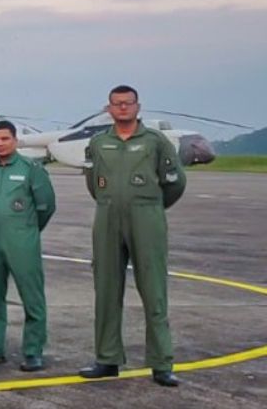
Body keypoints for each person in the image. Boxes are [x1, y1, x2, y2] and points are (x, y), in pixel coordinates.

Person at [79, 85, 187, 387]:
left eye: (128, 103)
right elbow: (94, 183)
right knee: (106, 288)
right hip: (107, 217)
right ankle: (107, 358)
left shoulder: (155, 142)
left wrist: (150, 207)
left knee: (153, 289)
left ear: (138, 107)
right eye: (117, 104)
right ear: (109, 108)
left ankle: (161, 362)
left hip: (147, 218)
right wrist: (112, 201)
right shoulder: (99, 143)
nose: (123, 108)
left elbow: (175, 183)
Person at [0, 120, 56, 371]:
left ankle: (33, 351)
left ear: (15, 140)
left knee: (32, 296)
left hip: (22, 241)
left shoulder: (31, 168)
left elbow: (46, 206)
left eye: (4, 139)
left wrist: (27, 230)